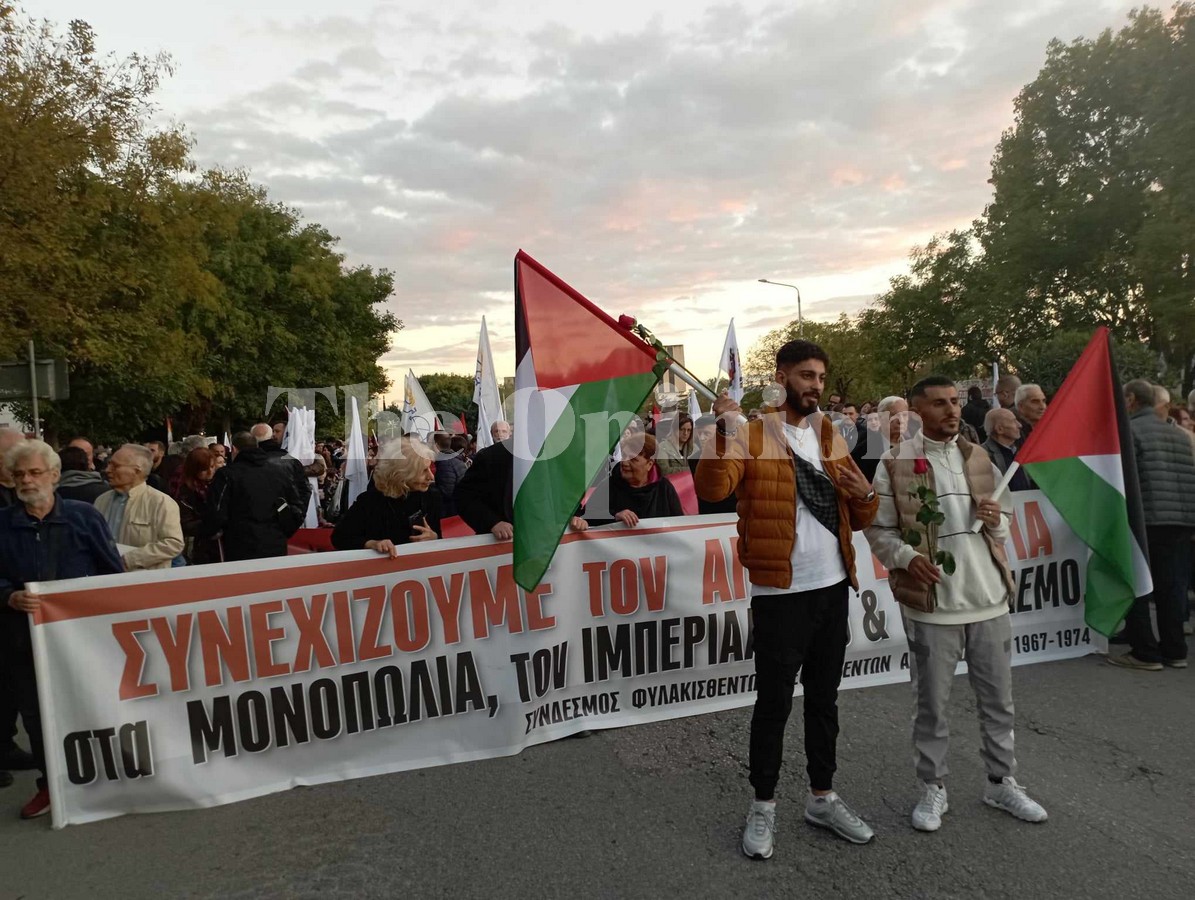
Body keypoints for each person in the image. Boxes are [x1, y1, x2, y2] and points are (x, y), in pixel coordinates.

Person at [695, 339, 880, 859]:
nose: (815, 385)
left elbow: (859, 516)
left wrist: (866, 494)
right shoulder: (751, 434)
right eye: (805, 375)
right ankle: (764, 805)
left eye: (820, 376)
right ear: (781, 378)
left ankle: (823, 797)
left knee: (824, 700)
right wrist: (722, 431)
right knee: (773, 704)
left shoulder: (830, 435)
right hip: (780, 593)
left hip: (833, 587)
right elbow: (713, 490)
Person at [866, 375, 1046, 834]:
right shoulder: (894, 463)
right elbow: (878, 529)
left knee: (999, 702)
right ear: (917, 412)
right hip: (932, 606)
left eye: (954, 401)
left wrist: (996, 521)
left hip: (989, 600)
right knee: (932, 704)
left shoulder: (979, 457)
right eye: (939, 403)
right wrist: (907, 558)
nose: (951, 410)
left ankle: (1001, 781)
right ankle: (933, 785)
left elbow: (1002, 524)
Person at [0, 440, 123, 818]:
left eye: (35, 472)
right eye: (19, 474)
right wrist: (8, 596)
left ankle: (108, 777)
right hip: (23, 640)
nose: (26, 480)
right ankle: (50, 786)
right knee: (37, 716)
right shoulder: (2, 523)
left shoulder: (84, 517)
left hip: (80, 640)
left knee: (92, 705)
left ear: (54, 475)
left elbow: (112, 574)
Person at [1107, 380, 1195, 671]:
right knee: (1173, 588)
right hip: (1181, 520)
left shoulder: (1130, 431)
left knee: (1137, 585)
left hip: (1146, 520)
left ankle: (1144, 652)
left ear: (1131, 399)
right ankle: (1175, 651)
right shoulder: (1179, 435)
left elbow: (1124, 478)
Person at [204, 432, 304, 561]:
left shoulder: (227, 475)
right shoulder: (278, 472)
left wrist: (209, 532)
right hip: (275, 541)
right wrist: (285, 530)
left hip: (240, 545)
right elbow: (296, 503)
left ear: (234, 449)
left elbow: (217, 511)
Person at [332, 438, 442, 554]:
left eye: (430, 468)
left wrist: (434, 537)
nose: (431, 477)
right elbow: (339, 538)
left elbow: (439, 536)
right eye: (423, 470)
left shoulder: (431, 497)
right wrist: (371, 544)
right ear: (402, 472)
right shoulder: (370, 501)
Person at [95, 444, 184, 571]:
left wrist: (129, 560)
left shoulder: (161, 503)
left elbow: (173, 544)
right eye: (109, 464)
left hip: (144, 580)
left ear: (137, 471)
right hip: (103, 577)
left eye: (115, 466)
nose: (107, 470)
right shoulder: (101, 500)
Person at [587, 434, 683, 526]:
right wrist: (614, 516)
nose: (625, 463)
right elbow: (586, 515)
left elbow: (679, 524)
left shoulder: (664, 488)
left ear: (649, 464)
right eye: (624, 456)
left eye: (633, 459)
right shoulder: (609, 485)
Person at [253, 423, 313, 514]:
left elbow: (304, 489)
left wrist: (296, 513)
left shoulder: (291, 460)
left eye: (277, 431)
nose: (274, 434)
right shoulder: (251, 459)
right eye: (273, 431)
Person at [176, 447, 221, 565]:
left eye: (212, 467)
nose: (210, 472)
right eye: (204, 469)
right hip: (200, 545)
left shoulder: (219, 483)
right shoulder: (186, 492)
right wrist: (211, 526)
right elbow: (186, 523)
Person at [689, 416, 737, 515]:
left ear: (719, 434)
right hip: (704, 513)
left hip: (731, 512)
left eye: (707, 433)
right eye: (699, 433)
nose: (702, 438)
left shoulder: (735, 458)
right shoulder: (692, 459)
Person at [981, 408, 1033, 492]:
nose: (1019, 425)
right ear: (999, 429)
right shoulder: (982, 455)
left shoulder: (1019, 451)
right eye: (1013, 421)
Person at [432, 433, 468, 517]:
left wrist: (430, 487)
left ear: (436, 446)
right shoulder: (455, 460)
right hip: (457, 508)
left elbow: (447, 492)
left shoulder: (445, 463)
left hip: (450, 511)